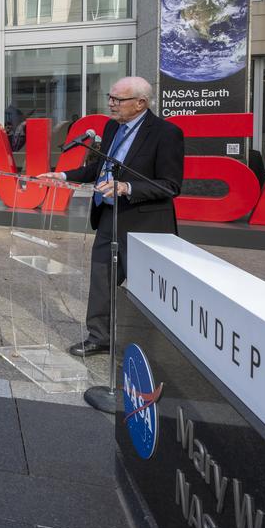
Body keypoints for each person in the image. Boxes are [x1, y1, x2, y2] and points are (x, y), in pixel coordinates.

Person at [44, 76, 183, 357]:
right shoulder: (111, 127)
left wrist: (127, 187)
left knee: (148, 290)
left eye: (118, 100)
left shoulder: (166, 133)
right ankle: (99, 337)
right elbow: (100, 168)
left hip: (146, 224)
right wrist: (62, 175)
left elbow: (170, 185)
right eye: (111, 97)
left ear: (141, 103)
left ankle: (159, 350)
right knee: (102, 280)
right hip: (110, 215)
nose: (111, 104)